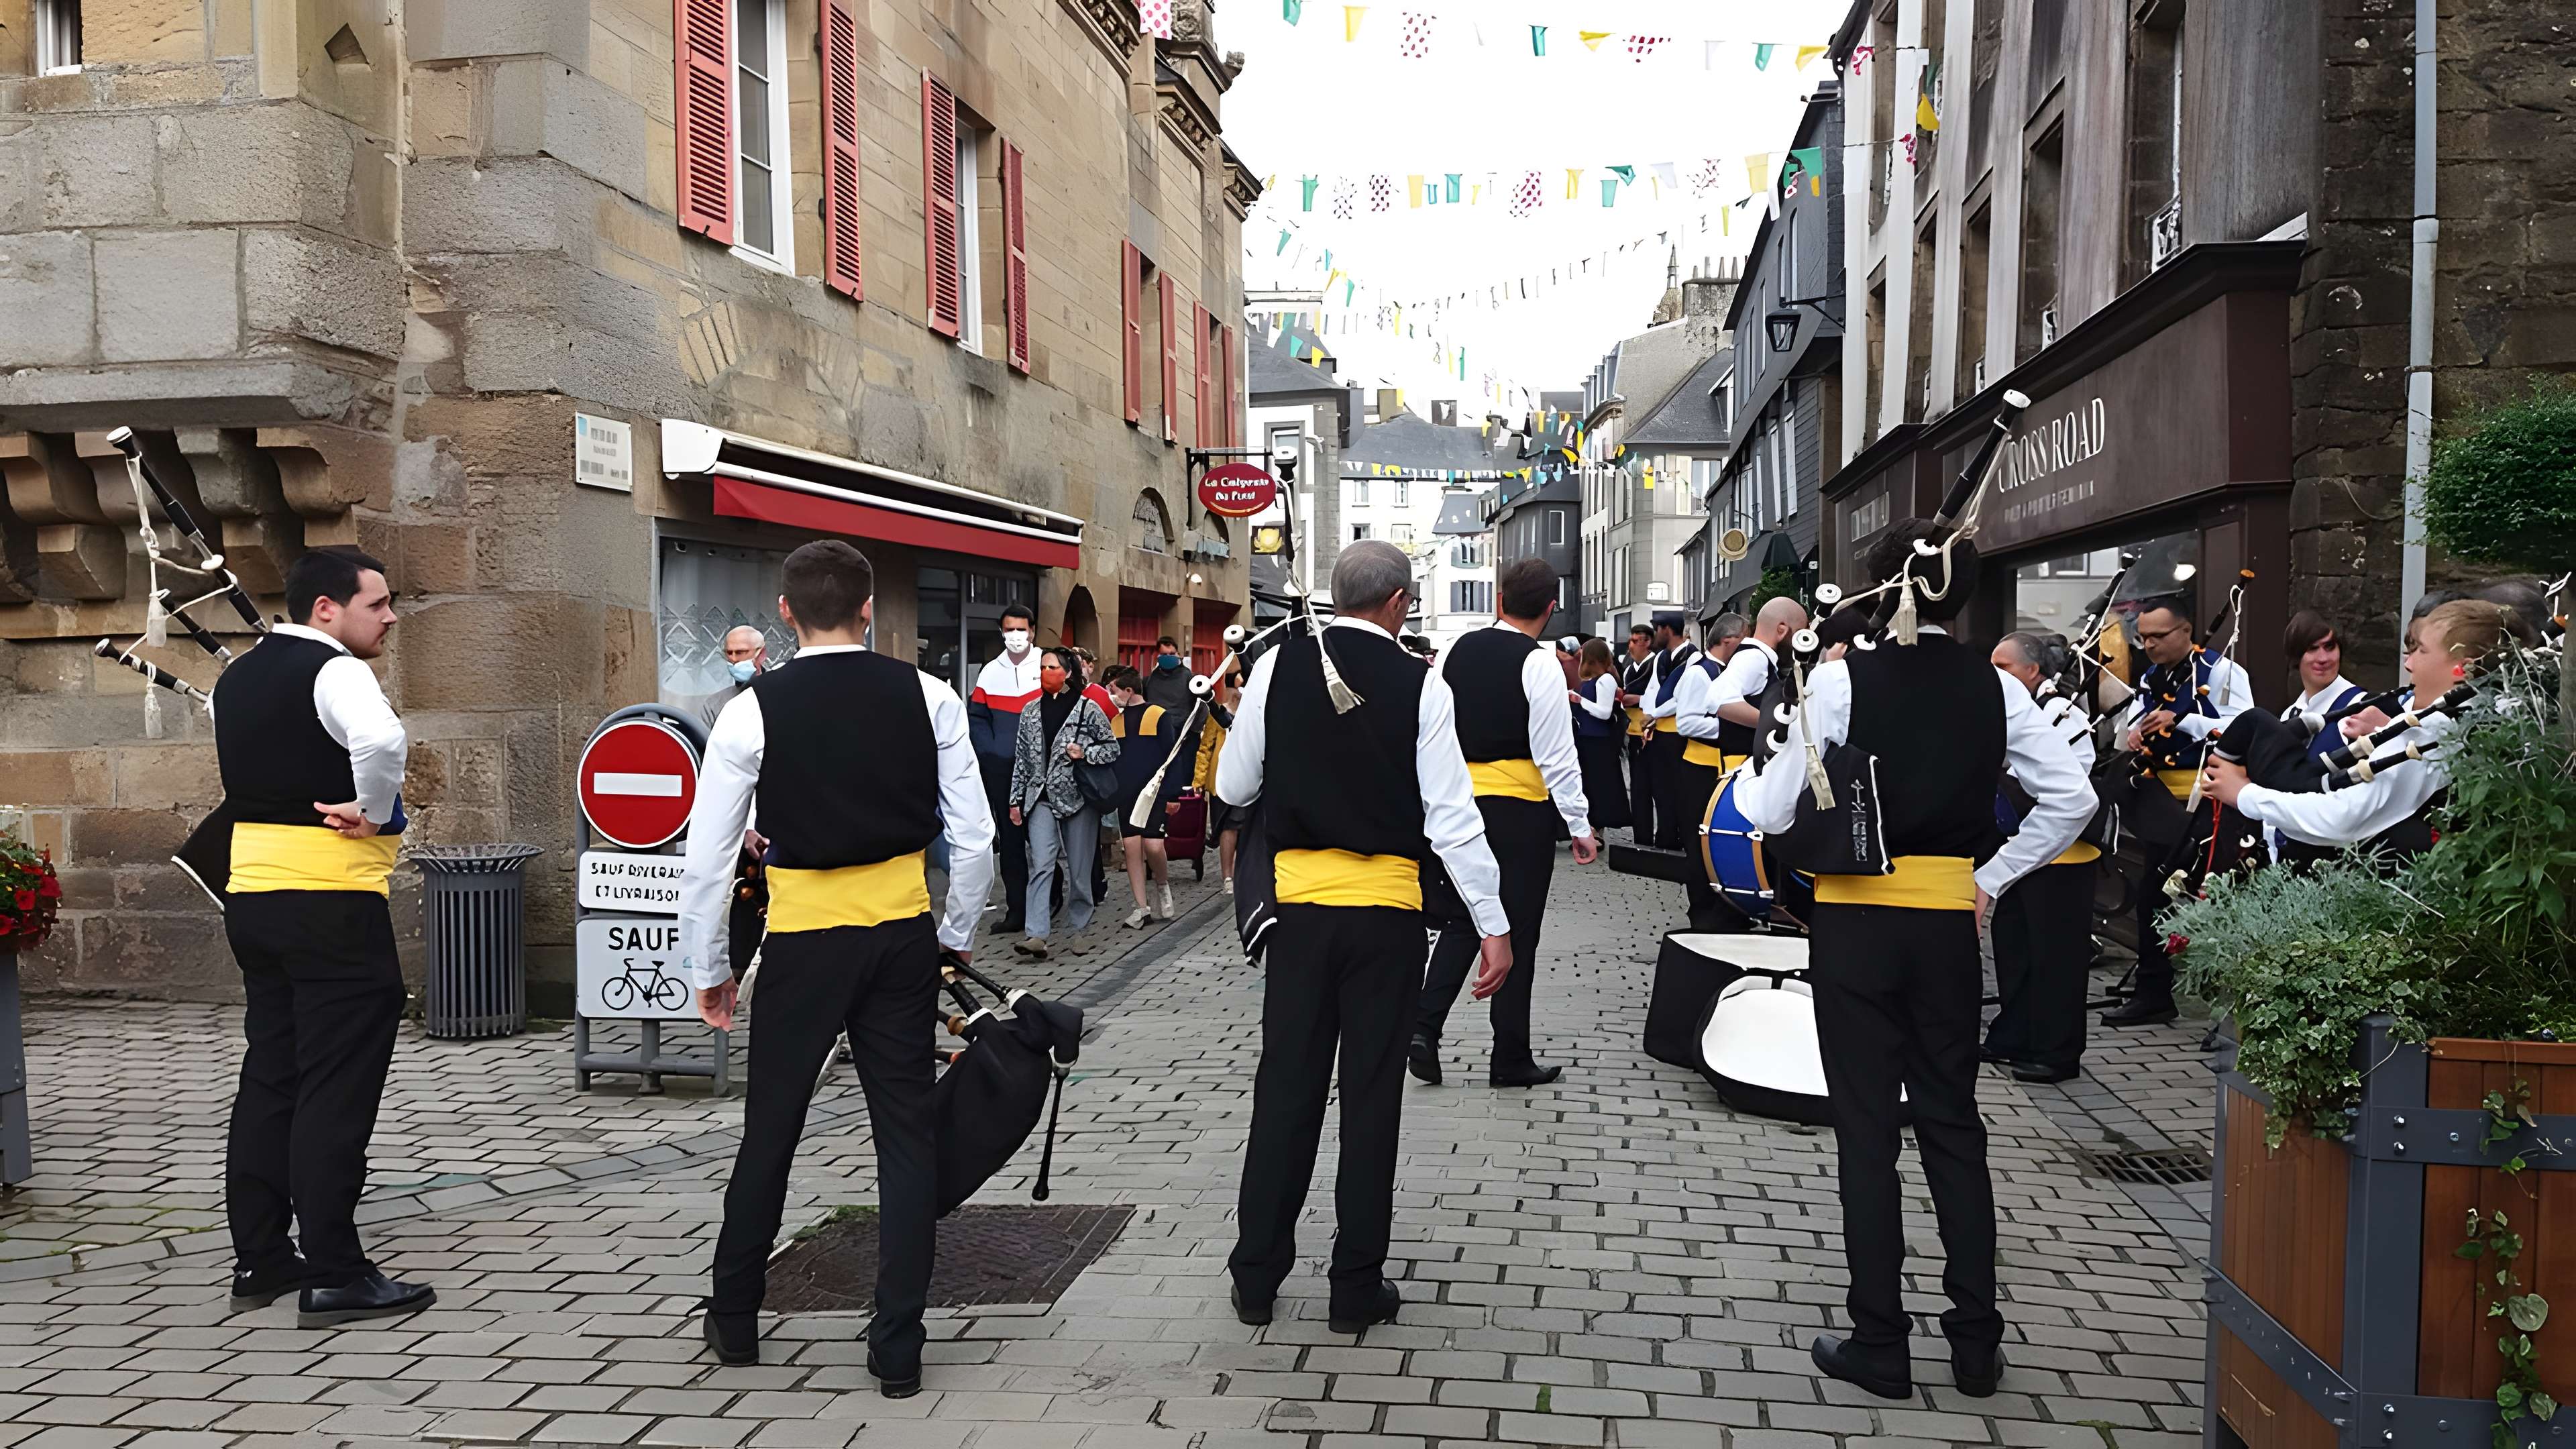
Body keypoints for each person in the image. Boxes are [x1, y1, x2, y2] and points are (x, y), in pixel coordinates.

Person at [1736, 521, 2094, 1404]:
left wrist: (1759, 767)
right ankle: (1975, 1345)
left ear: (1879, 587)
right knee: (1952, 1125)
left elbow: (1772, 811)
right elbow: (2072, 797)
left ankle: (1880, 1342)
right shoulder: (1996, 685)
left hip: (1855, 922)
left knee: (1866, 1131)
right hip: (1944, 923)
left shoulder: (1839, 679)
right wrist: (1993, 880)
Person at [679, 541, 993, 1388]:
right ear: (868, 609)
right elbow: (974, 838)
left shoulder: (751, 710)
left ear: (784, 613)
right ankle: (898, 1344)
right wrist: (957, 932)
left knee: (772, 1129)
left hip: (804, 938)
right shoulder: (929, 694)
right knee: (906, 1134)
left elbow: (708, 858)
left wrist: (710, 967)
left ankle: (735, 1317)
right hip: (900, 930)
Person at [1218, 541, 1512, 1335]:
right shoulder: (1422, 683)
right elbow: (1452, 819)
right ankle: (1354, 1287)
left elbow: (1232, 784)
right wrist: (1493, 923)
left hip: (1300, 915)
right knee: (1371, 1099)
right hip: (1386, 917)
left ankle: (1256, 1277)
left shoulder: (1277, 666)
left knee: (1286, 1091)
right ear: (1399, 603)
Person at [215, 547, 435, 1329]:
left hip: (253, 896)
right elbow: (381, 743)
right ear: (325, 610)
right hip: (331, 902)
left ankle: (262, 1256)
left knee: (272, 1075)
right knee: (336, 1086)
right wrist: (371, 811)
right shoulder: (337, 671)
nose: (391, 617)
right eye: (378, 604)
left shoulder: (237, 677)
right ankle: (337, 1272)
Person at [1409, 557, 1600, 1089]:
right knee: (1518, 929)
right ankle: (1509, 1056)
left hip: (1457, 803)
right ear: (1551, 608)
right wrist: (1579, 824)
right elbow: (1555, 754)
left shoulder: (1455, 651)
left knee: (1462, 918)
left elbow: (1432, 728)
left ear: (1499, 601)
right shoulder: (1539, 663)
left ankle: (1424, 1028)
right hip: (1517, 811)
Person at [2206, 599, 2533, 858]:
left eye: (2421, 651)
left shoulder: (2436, 731)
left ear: (2464, 667)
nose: (2409, 663)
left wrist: (2244, 794)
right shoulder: (2489, 717)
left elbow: (2344, 818)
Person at [2104, 597, 2252, 1026]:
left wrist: (2182, 719)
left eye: (2159, 636)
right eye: (2143, 638)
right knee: (2154, 897)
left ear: (2186, 631)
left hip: (2206, 801)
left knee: (2206, 898)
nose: (2149, 645)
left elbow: (2244, 727)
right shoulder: (2152, 677)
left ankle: (2223, 1002)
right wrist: (2135, 732)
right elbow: (2134, 722)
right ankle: (2155, 993)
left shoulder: (2222, 671)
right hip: (2160, 803)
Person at [1984, 631, 2102, 1085]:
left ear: (2033, 671)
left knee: (2056, 957)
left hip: (2063, 855)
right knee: (2014, 945)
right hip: (2020, 849)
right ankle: (2013, 1034)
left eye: (2004, 666)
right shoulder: (2014, 712)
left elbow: (2075, 780)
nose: (1995, 675)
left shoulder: (2064, 714)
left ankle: (2058, 1052)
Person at [1672, 598, 1805, 928]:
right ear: (1782, 630)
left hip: (1734, 767)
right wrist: (1774, 726)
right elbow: (1719, 699)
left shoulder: (1756, 658)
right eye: (1800, 633)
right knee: (1718, 853)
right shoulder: (1755, 658)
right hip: (1730, 769)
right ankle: (1714, 921)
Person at [1008, 648, 1119, 960]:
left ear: (1068, 672)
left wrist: (1085, 753)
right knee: (1041, 864)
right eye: (1043, 667)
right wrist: (1015, 799)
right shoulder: (1030, 711)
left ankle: (1080, 929)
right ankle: (1037, 934)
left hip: (1078, 798)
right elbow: (1022, 759)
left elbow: (1112, 748)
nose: (1047, 673)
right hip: (1040, 798)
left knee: (1080, 869)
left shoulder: (1087, 709)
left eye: (1053, 667)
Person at [969, 606, 1042, 936]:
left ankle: (1049, 898)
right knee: (1011, 843)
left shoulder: (1046, 665)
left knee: (1041, 840)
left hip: (1040, 771)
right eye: (1009, 629)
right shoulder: (989, 672)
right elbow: (977, 719)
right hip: (1002, 771)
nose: (1015, 636)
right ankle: (1017, 911)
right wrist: (992, 753)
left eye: (1021, 629)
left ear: (1032, 631)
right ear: (1002, 632)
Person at [1104, 665, 1183, 926]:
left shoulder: (1157, 714)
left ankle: (1162, 884)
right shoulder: (1115, 722)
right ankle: (1141, 907)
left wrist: (1173, 794)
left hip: (1154, 794)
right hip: (1127, 795)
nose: (1111, 694)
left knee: (1153, 846)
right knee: (1132, 849)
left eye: (1113, 689)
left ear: (1129, 690)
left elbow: (1172, 755)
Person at [1641, 612, 1715, 851]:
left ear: (1667, 629)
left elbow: (1681, 696)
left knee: (1678, 790)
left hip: (1680, 733)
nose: (1655, 635)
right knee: (1660, 789)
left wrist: (1655, 714)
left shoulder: (1693, 657)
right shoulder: (1660, 658)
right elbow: (1653, 690)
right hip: (1659, 733)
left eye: (1657, 629)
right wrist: (1648, 717)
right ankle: (1665, 836)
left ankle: (1682, 838)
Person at [1568, 639, 1633, 833]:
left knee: (1599, 787)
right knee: (1590, 786)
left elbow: (1604, 712)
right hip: (1588, 738)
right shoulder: (1595, 680)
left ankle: (1597, 830)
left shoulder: (1606, 679)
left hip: (1599, 741)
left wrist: (1580, 700)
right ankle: (1592, 829)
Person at [1193, 668, 1243, 892]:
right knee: (1226, 826)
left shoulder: (1255, 711)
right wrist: (1199, 780)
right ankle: (1228, 877)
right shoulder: (1218, 713)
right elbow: (1206, 748)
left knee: (1244, 825)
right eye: (1236, 687)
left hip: (1247, 777)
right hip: (1221, 779)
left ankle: (1241, 872)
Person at [1617, 626, 1659, 843]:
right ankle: (1641, 837)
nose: (1631, 646)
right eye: (1631, 641)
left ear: (1648, 642)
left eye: (1637, 641)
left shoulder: (1657, 663)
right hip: (1632, 732)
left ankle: (1665, 834)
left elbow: (1662, 696)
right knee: (1638, 787)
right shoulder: (1628, 668)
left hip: (1654, 730)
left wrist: (1638, 699)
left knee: (1658, 787)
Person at [702, 625, 767, 728]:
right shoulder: (715, 704)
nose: (733, 659)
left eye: (740, 652)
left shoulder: (780, 691)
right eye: (729, 653)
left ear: (761, 654)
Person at [1143, 634, 1195, 713]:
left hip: (1182, 720)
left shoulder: (1188, 678)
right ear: (1158, 655)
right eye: (1164, 654)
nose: (1168, 657)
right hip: (1157, 719)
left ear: (1178, 654)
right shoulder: (1149, 681)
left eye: (1172, 654)